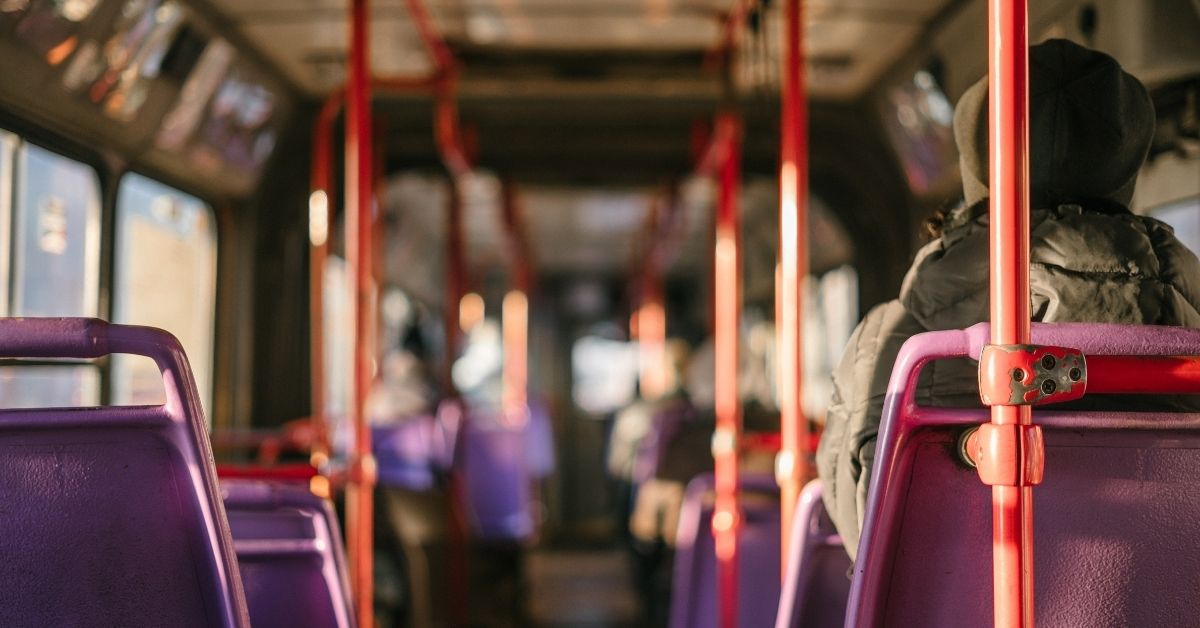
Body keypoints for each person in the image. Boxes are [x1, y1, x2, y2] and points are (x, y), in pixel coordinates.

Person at [816, 38, 1200, 561]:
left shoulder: (894, 342)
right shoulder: (1188, 317)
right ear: (1125, 168)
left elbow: (866, 534)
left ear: (977, 165)